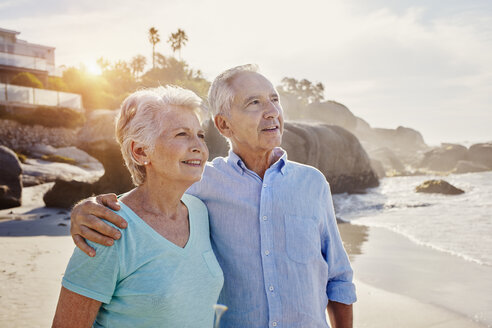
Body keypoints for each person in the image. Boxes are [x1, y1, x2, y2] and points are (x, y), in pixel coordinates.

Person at [70, 64, 356, 328]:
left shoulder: (313, 183)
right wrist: (84, 210)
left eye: (274, 99)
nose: (271, 111)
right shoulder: (199, 183)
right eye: (254, 103)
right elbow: (148, 198)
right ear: (223, 125)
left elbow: (338, 278)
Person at [52, 86, 224, 327]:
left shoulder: (200, 211)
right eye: (182, 134)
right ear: (141, 151)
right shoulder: (106, 230)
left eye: (200, 135)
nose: (199, 147)